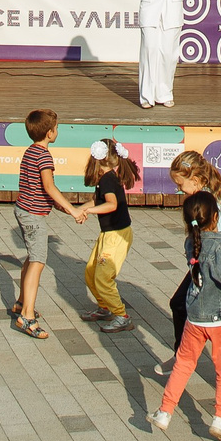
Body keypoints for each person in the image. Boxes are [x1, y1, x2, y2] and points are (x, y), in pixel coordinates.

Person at [152, 191, 221, 441]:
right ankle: (220, 418)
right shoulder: (220, 247)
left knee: (183, 364)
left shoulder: (191, 242)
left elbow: (209, 247)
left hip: (195, 318)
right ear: (216, 217)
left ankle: (165, 411)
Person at [9, 108, 87, 340]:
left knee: (32, 258)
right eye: (57, 128)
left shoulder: (30, 151)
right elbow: (49, 187)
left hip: (23, 210)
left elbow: (40, 191)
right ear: (50, 133)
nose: (57, 131)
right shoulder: (44, 156)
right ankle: (27, 316)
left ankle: (21, 303)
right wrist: (73, 210)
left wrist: (63, 208)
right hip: (33, 216)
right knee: (38, 261)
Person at [79, 138, 139, 333]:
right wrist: (79, 209)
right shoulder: (106, 178)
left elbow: (111, 204)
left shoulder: (107, 179)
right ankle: (104, 307)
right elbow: (97, 201)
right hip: (108, 234)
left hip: (117, 236)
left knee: (103, 278)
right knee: (90, 272)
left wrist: (88, 212)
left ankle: (122, 316)